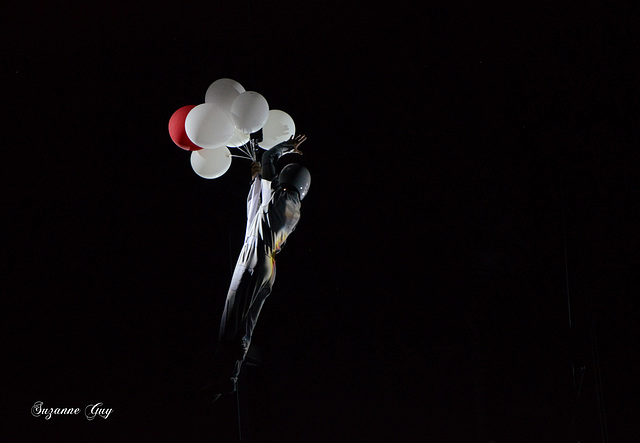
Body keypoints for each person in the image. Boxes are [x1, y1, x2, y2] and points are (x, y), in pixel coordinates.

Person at [207, 134, 311, 401]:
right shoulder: (294, 207)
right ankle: (230, 378)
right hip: (271, 266)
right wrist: (258, 179)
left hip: (254, 255)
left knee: (232, 320)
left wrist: (285, 147)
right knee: (246, 327)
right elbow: (261, 202)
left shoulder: (277, 196)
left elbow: (268, 159)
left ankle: (217, 380)